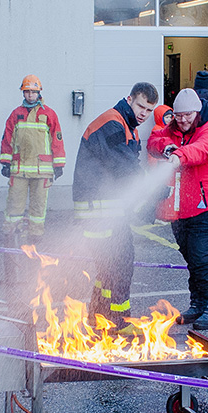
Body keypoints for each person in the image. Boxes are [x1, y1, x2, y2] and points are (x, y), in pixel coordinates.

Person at [73, 82, 158, 330]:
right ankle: (119, 322)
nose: (143, 113)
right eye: (140, 106)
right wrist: (152, 188)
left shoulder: (126, 125)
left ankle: (98, 317)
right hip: (100, 211)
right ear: (129, 99)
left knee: (107, 268)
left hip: (104, 211)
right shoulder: (112, 123)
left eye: (149, 110)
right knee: (120, 264)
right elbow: (124, 167)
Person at [148, 88, 208, 330]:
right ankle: (198, 304)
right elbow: (154, 140)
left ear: (197, 112)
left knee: (204, 258)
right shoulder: (173, 128)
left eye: (187, 116)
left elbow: (203, 149)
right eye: (178, 115)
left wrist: (179, 156)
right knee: (192, 258)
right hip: (182, 207)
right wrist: (166, 148)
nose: (182, 120)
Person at [0, 75, 66, 242]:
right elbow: (7, 139)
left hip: (42, 171)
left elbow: (57, 140)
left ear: (39, 92)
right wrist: (5, 162)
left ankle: (35, 235)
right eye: (27, 92)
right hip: (19, 169)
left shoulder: (49, 114)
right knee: (14, 204)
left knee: (38, 206)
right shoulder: (16, 114)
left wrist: (59, 165)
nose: (30, 95)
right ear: (23, 93)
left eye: (33, 92)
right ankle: (11, 233)